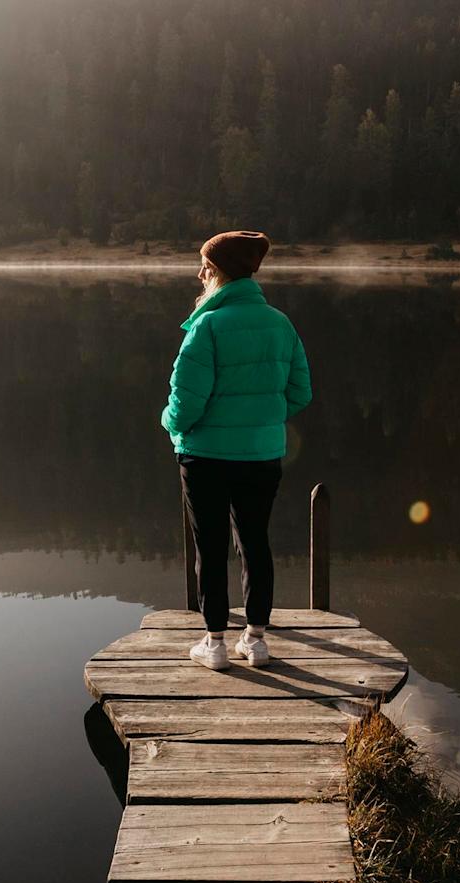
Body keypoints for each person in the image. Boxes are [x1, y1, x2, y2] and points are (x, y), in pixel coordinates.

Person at [161, 230, 311, 671]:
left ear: (217, 272)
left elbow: (185, 404)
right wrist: (261, 416)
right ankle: (257, 640)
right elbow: (300, 392)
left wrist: (168, 424)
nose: (200, 273)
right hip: (262, 455)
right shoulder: (280, 323)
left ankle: (215, 644)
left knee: (210, 547)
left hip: (205, 456)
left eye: (204, 266)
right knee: (255, 543)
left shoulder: (206, 325)